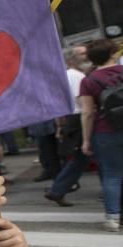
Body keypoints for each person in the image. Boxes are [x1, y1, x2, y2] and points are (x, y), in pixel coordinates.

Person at [79, 39, 123, 232]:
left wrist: (86, 140)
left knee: (112, 175)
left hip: (107, 131)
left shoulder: (89, 81)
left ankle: (113, 217)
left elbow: (87, 113)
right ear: (113, 53)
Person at [45, 47, 91, 207]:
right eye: (81, 54)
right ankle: (57, 189)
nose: (86, 56)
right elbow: (82, 100)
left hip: (73, 117)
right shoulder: (77, 76)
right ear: (71, 59)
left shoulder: (68, 75)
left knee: (82, 158)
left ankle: (57, 190)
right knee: (82, 157)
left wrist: (60, 124)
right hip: (80, 117)